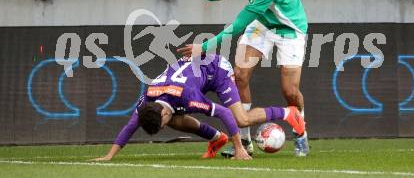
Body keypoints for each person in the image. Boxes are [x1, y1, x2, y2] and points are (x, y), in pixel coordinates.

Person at [177, 0, 310, 157]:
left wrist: (205, 46)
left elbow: (239, 25)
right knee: (240, 75)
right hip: (262, 25)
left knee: (290, 91)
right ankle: (245, 141)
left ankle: (301, 131)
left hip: (290, 29)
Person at [93, 54, 305, 160]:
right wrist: (109, 155)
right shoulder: (148, 99)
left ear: (163, 111)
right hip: (190, 76)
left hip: (216, 70)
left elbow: (222, 112)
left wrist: (239, 148)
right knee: (176, 120)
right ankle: (217, 139)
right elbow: (131, 125)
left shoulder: (188, 97)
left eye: (162, 123)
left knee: (241, 119)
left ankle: (289, 112)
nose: (164, 126)